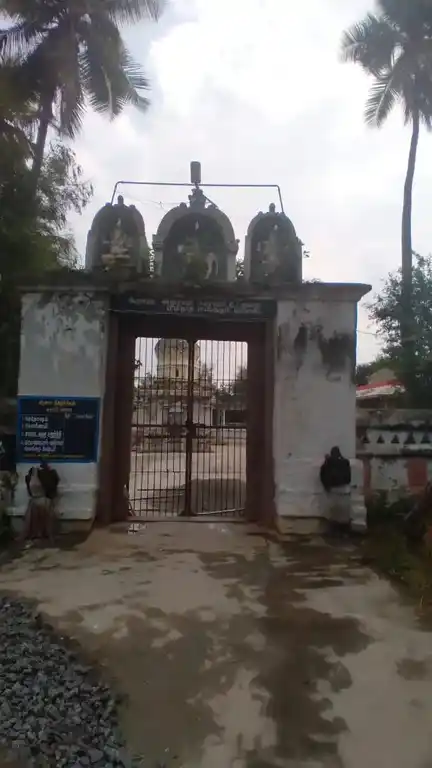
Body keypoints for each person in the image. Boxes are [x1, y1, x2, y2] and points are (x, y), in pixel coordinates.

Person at [20, 460, 60, 545]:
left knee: (39, 518)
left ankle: (41, 534)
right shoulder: (49, 474)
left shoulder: (36, 474)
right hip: (42, 499)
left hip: (39, 499)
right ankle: (44, 535)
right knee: (45, 518)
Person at [320, 447, 352, 531]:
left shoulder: (329, 463)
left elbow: (323, 474)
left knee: (334, 513)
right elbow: (348, 478)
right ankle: (344, 530)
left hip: (333, 490)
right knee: (344, 513)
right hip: (344, 490)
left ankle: (334, 530)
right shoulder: (345, 462)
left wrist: (326, 486)